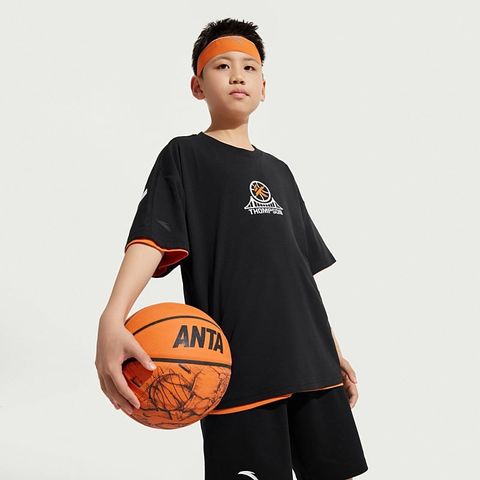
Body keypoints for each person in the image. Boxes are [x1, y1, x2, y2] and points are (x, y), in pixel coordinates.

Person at [95, 17, 369, 480]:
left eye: (249, 67)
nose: (237, 75)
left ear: (264, 87)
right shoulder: (184, 156)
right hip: (237, 369)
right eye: (222, 66)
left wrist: (332, 347)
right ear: (197, 86)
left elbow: (298, 272)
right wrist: (112, 316)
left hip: (314, 363)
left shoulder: (280, 172)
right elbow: (151, 238)